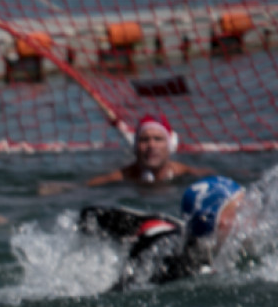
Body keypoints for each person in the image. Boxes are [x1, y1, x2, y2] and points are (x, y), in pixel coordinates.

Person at [79, 175, 245, 291]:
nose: (250, 216)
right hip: (149, 236)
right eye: (240, 210)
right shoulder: (172, 263)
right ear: (216, 221)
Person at [86, 114, 212, 187]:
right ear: (136, 147)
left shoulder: (185, 173)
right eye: (144, 140)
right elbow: (86, 186)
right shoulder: (120, 177)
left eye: (158, 139)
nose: (151, 145)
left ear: (170, 146)